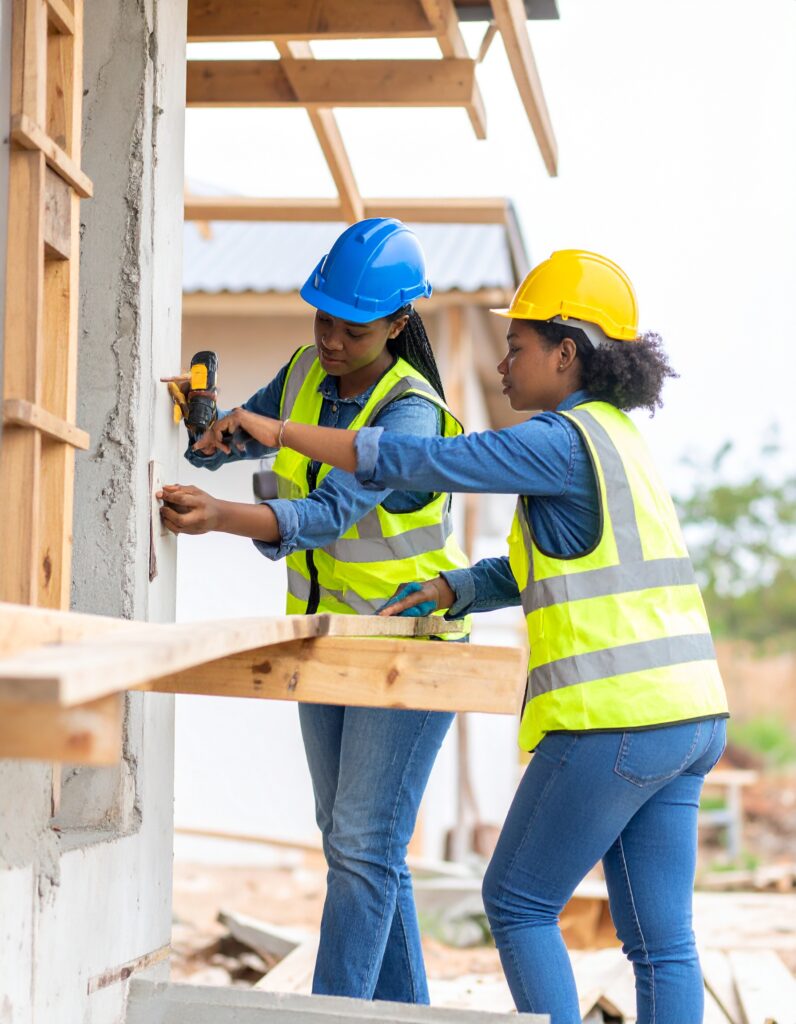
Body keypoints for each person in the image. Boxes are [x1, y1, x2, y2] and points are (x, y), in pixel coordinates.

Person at [211, 249, 730, 1024]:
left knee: (517, 901)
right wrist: (459, 588)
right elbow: (562, 561)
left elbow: (423, 459)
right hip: (692, 717)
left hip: (616, 720)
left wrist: (278, 430)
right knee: (662, 943)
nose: (501, 364)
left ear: (566, 353)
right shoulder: (617, 439)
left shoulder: (558, 440)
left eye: (517, 347)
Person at [159, 218, 471, 1004]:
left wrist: (220, 517)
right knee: (357, 846)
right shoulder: (305, 372)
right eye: (323, 319)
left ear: (397, 325)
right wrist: (207, 427)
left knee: (364, 848)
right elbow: (239, 439)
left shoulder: (412, 413)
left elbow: (329, 514)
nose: (331, 341)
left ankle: (331, 1015)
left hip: (410, 647)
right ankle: (405, 1017)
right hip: (329, 638)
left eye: (352, 330)